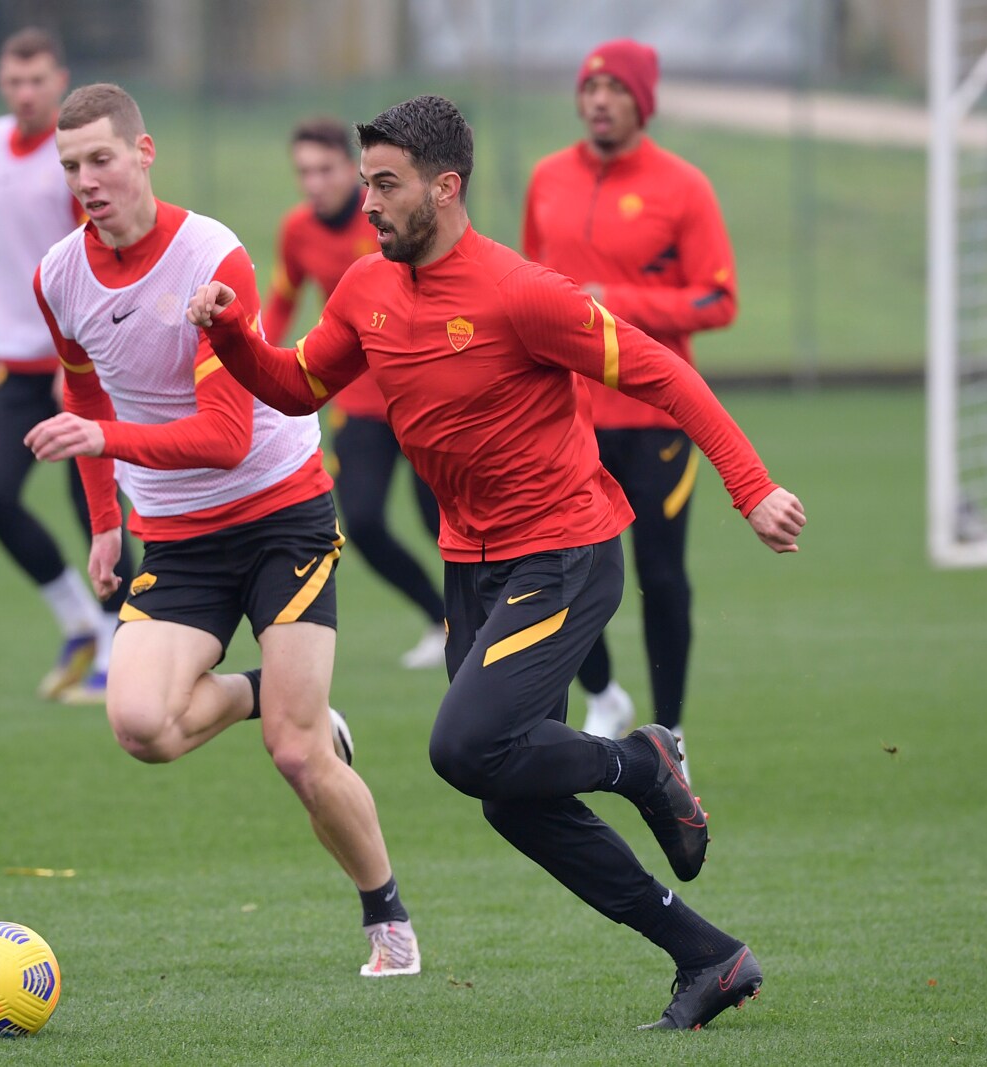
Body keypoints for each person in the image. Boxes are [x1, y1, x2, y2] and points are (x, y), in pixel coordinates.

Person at [189, 95, 805, 1029]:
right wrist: (234, 332)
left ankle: (642, 762)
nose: (368, 203)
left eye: (387, 185)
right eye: (366, 183)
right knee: (509, 795)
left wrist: (751, 487)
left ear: (446, 188)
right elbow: (296, 384)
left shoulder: (521, 292)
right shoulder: (365, 289)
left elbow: (665, 374)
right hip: (471, 562)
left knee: (463, 747)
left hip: (564, 550)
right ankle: (709, 956)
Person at [23, 83, 420, 977]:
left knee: (298, 752)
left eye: (101, 159)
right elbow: (83, 388)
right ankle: (261, 689)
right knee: (141, 727)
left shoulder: (211, 256)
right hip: (178, 533)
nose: (87, 180)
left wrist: (104, 441)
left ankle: (387, 918)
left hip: (281, 511)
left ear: (144, 152)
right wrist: (104, 522)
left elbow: (224, 437)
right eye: (71, 166)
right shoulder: (58, 275)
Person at [523, 40, 738, 778]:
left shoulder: (684, 187)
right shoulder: (547, 178)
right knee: (568, 572)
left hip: (654, 422)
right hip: (568, 418)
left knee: (660, 575)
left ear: (642, 101)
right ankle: (605, 694)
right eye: (590, 88)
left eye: (616, 89)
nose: (599, 101)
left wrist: (617, 302)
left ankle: (669, 731)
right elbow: (526, 288)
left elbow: (718, 300)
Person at [0, 28, 132, 704]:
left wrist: (88, 350)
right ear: (0, 84)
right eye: (14, 81)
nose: (25, 93)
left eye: (37, 80)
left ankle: (119, 644)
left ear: (59, 81)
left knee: (95, 505)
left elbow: (95, 246)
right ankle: (79, 622)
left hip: (77, 363)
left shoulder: (73, 163)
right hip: (14, 363)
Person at [264, 118, 447, 670]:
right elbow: (281, 300)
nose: (314, 183)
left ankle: (484, 621)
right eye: (304, 172)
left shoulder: (390, 219)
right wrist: (252, 363)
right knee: (361, 522)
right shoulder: (298, 229)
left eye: (325, 169)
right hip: (360, 403)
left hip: (422, 395)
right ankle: (440, 617)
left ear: (353, 169)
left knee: (442, 523)